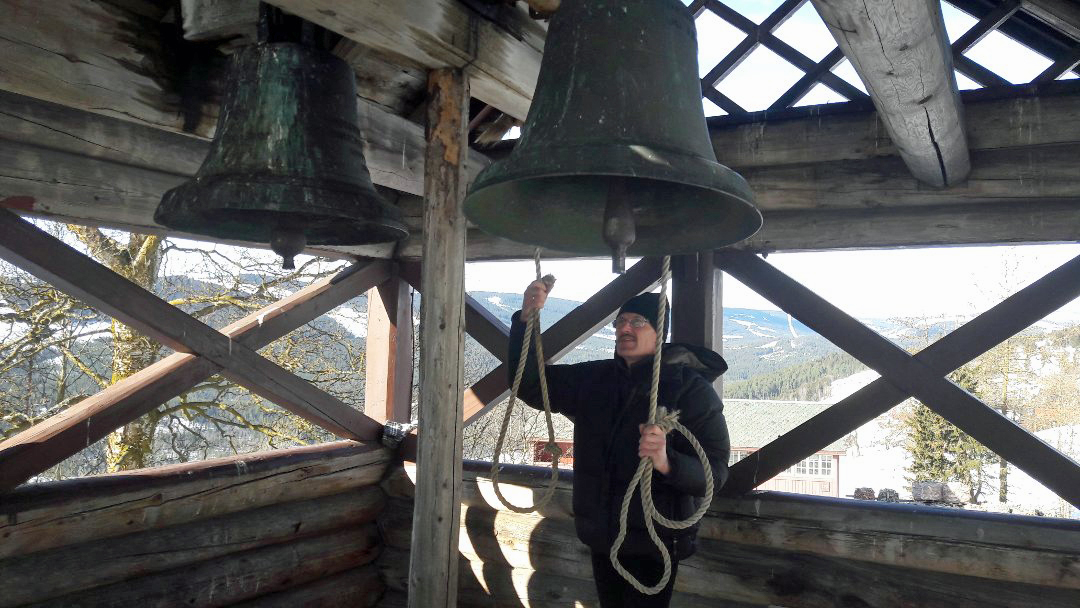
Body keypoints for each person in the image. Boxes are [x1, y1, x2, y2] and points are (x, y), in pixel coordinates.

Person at [508, 279, 731, 607]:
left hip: (655, 542)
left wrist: (667, 462)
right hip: (604, 536)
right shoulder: (593, 380)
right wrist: (526, 320)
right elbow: (527, 385)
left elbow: (716, 474)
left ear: (659, 332)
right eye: (620, 322)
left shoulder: (692, 391)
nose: (625, 328)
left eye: (637, 322)